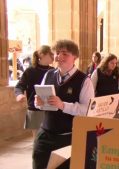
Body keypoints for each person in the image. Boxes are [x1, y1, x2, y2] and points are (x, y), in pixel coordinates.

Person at [33, 40, 95, 169]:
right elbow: (43, 103)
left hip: (69, 138)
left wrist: (63, 105)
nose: (59, 57)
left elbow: (87, 111)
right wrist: (39, 103)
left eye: (65, 54)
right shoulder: (49, 74)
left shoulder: (84, 81)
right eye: (57, 53)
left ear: (75, 57)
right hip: (45, 134)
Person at [15, 45, 54, 139]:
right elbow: (19, 86)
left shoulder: (53, 71)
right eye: (51, 54)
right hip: (35, 109)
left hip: (51, 108)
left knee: (51, 139)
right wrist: (19, 95)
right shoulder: (30, 71)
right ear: (42, 55)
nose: (53, 56)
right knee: (38, 139)